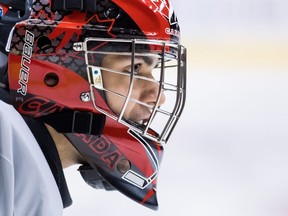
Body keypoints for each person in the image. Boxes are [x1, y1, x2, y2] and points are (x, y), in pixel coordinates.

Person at [0, 0, 187, 215]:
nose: (159, 97)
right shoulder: (7, 143)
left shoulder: (23, 166)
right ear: (60, 68)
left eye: (152, 70)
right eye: (134, 68)